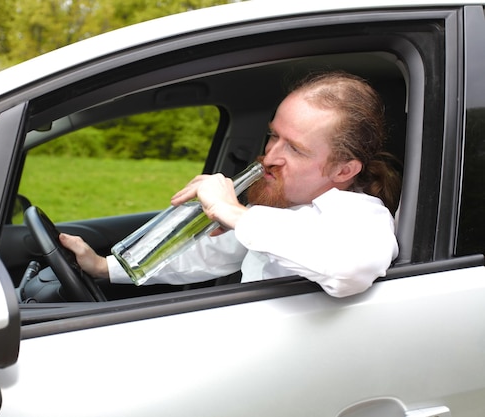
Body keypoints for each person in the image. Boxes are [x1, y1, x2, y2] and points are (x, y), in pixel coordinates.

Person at [59, 71, 401, 298]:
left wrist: (232, 211)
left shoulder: (361, 215)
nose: (269, 157)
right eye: (273, 137)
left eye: (294, 148)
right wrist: (104, 267)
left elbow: (350, 269)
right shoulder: (280, 207)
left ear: (344, 170)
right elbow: (211, 255)